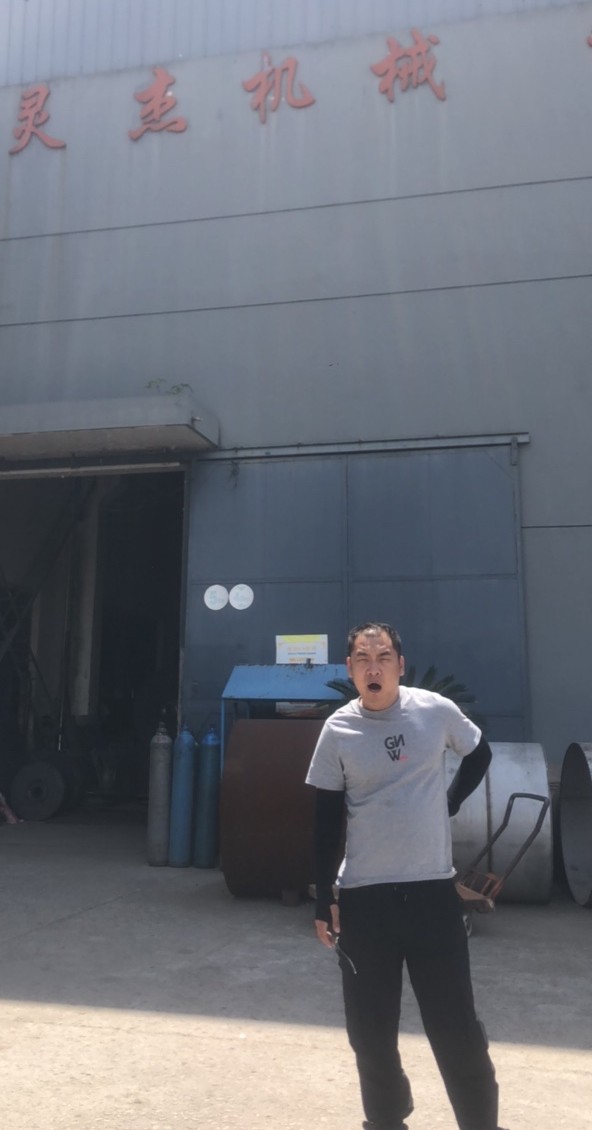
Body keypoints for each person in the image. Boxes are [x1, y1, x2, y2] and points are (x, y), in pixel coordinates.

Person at [306, 622, 506, 1130]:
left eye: (383, 657)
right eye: (362, 658)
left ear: (400, 664)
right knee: (370, 1033)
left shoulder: (435, 711)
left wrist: (451, 800)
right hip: (365, 900)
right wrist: (323, 898)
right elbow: (325, 821)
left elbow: (479, 752)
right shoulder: (338, 730)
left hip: (432, 895)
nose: (373, 667)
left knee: (455, 1026)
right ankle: (387, 1119)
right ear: (350, 668)